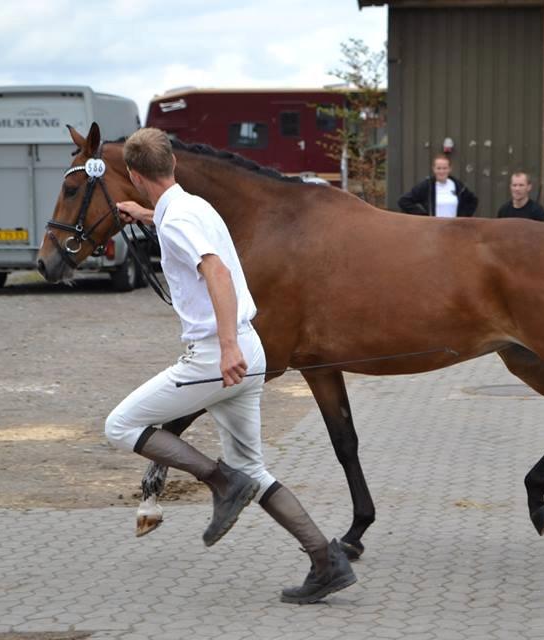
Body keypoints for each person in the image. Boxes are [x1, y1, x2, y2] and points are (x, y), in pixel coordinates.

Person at [109, 127, 356, 604]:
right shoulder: (192, 207)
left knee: (120, 425)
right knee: (254, 468)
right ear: (174, 166)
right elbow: (178, 225)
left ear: (136, 176)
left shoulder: (179, 218)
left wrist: (225, 348)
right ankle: (326, 560)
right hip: (252, 347)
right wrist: (145, 214)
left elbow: (217, 273)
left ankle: (221, 481)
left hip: (216, 356)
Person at [397, 154, 478, 217]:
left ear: (450, 169)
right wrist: (423, 216)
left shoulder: (458, 186)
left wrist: (462, 217)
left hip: (453, 229)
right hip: (433, 229)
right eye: (438, 168)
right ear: (433, 169)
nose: (441, 171)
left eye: (444, 168)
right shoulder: (427, 186)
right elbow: (404, 201)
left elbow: (473, 200)